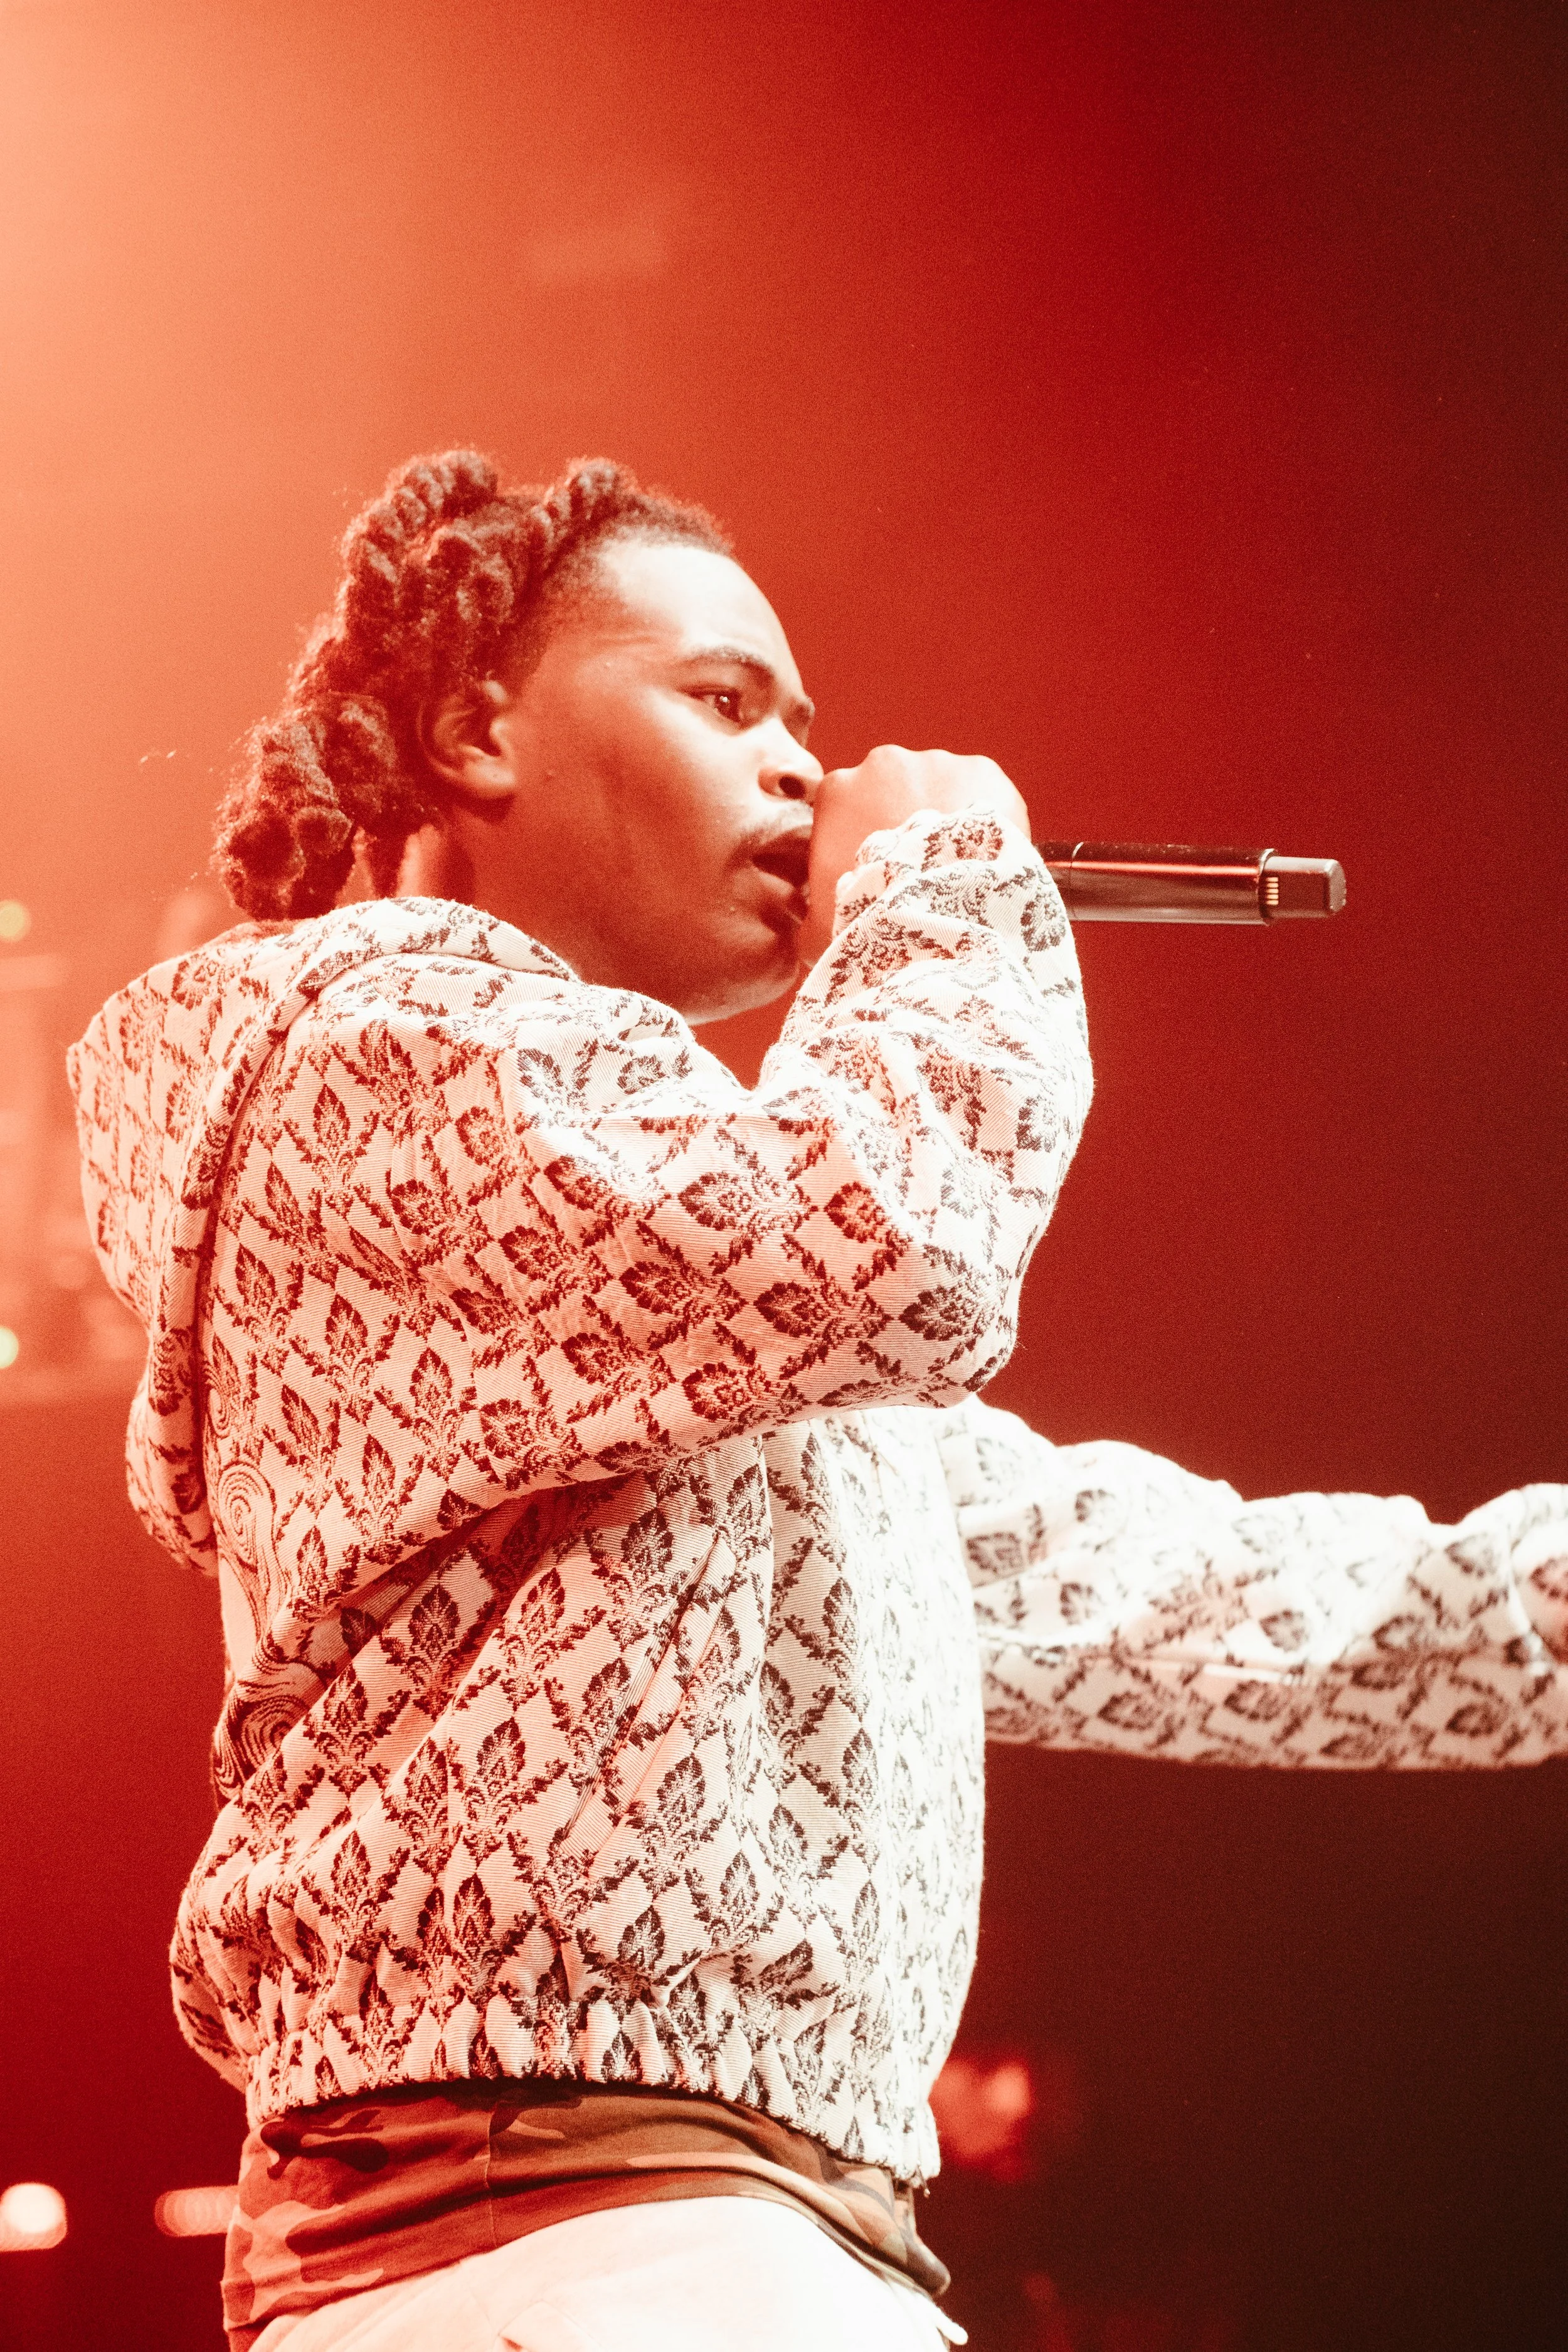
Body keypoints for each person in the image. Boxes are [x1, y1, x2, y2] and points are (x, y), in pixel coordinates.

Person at [68, 451, 1568, 2352]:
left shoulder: (674, 1317)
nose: (803, 769)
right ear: (475, 730)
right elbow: (901, 1247)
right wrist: (941, 887)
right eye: (724, 700)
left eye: (808, 724)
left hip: (694, 2248)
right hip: (569, 2244)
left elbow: (1226, 1606)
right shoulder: (372, 1053)